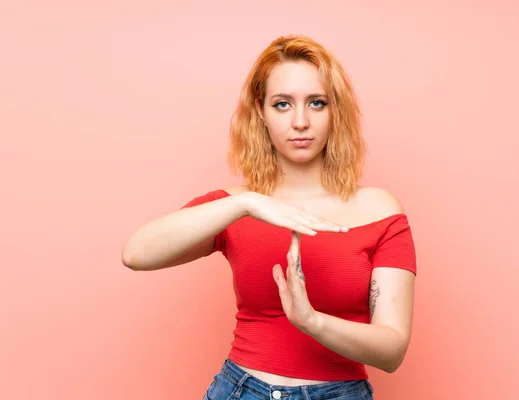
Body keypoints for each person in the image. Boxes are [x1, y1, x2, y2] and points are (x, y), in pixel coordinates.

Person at [121, 34, 417, 400]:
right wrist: (245, 204)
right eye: (282, 104)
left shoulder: (380, 210)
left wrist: (312, 322)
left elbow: (392, 350)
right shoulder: (236, 206)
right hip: (243, 390)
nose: (300, 121)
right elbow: (136, 254)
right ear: (259, 111)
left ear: (334, 110)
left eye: (317, 103)